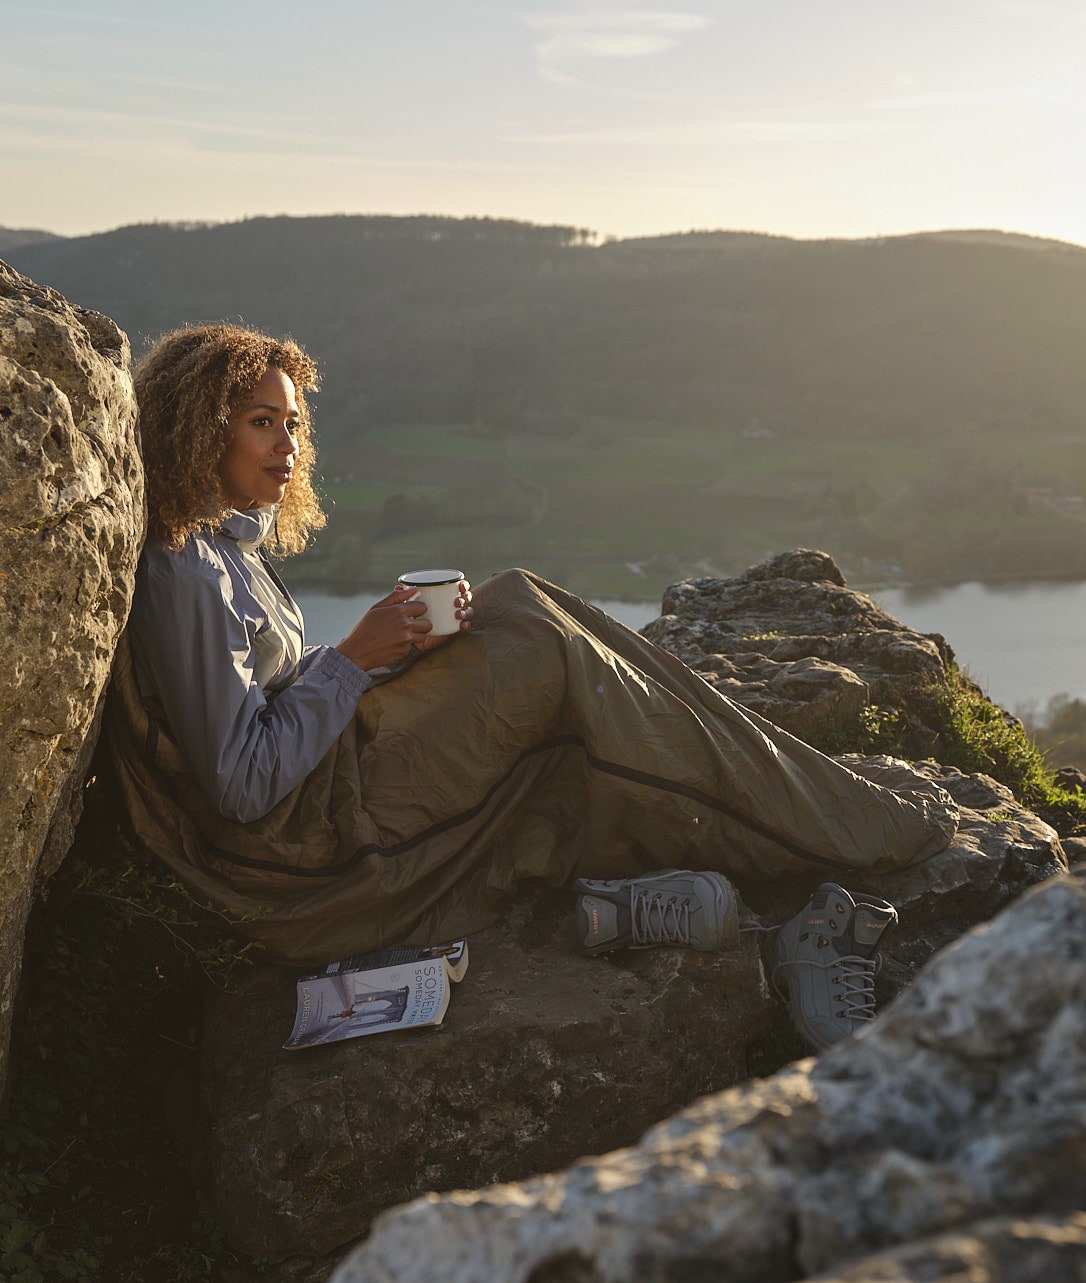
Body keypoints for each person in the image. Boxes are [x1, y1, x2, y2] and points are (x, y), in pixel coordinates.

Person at [104, 324, 959, 1047]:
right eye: (262, 423)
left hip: (328, 793)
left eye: (293, 424)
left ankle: (768, 813)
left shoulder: (223, 550)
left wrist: (396, 650)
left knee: (518, 602)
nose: (288, 447)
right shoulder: (187, 571)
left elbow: (271, 689)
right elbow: (242, 782)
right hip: (306, 846)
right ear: (198, 429)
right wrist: (357, 658)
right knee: (552, 662)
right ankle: (841, 826)